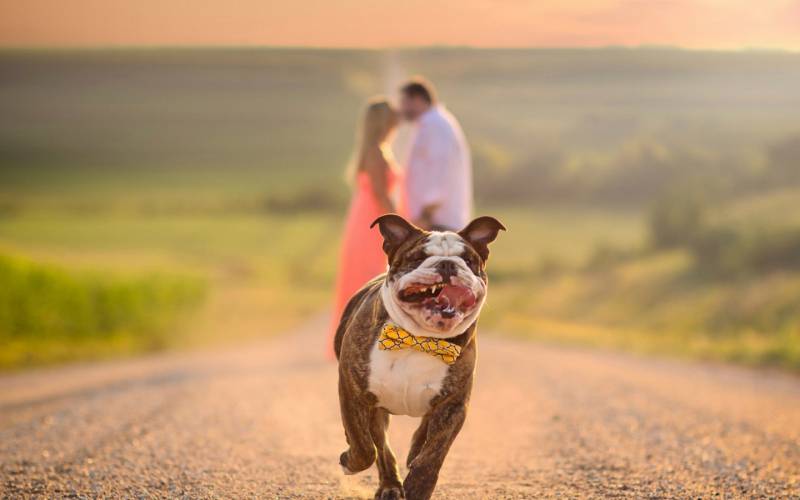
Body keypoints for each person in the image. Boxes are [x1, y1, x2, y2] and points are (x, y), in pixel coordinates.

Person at [328, 98, 405, 356]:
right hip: (371, 219)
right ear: (385, 123)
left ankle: (367, 339)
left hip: (366, 216)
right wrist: (401, 228)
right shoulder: (376, 151)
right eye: (393, 119)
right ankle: (364, 339)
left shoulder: (375, 149)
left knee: (368, 274)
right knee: (370, 275)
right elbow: (382, 194)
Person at [399, 77, 472, 231]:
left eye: (404, 102)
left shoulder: (435, 125)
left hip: (437, 220)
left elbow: (441, 171)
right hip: (433, 219)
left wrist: (425, 215)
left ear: (417, 99)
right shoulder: (431, 124)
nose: (401, 108)